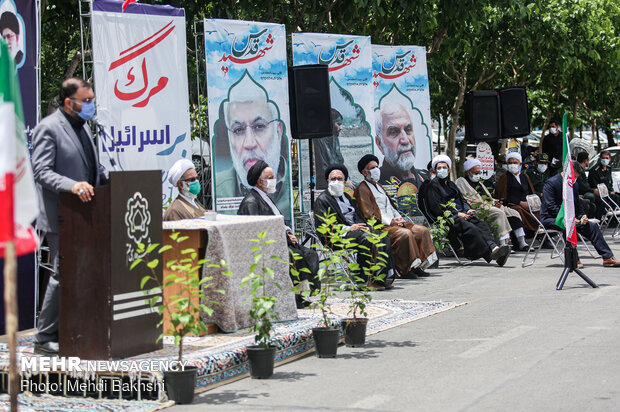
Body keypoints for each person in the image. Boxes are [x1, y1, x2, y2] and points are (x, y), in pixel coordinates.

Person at [31, 78, 108, 354]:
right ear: (68, 102)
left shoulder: (84, 128)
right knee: (63, 274)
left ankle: (74, 328)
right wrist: (72, 186)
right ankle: (43, 337)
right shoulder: (48, 128)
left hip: (88, 214)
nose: (90, 105)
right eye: (86, 101)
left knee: (84, 273)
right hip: (62, 215)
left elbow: (91, 165)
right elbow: (41, 171)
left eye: (92, 100)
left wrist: (110, 180)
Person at [237, 160, 319, 308]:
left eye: (273, 177)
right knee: (295, 257)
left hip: (282, 242)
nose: (273, 181)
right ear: (259, 181)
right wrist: (284, 238)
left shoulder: (265, 197)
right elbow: (256, 230)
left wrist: (288, 233)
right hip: (266, 247)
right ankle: (293, 296)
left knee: (310, 254)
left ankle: (303, 293)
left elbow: (279, 223)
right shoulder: (251, 202)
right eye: (269, 178)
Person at [215, 73, 291, 216]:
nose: (249, 143)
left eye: (259, 127)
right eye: (238, 130)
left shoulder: (285, 191)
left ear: (278, 131)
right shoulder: (221, 188)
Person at [314, 164, 395, 290]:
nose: (336, 181)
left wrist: (365, 226)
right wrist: (349, 228)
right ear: (327, 181)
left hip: (356, 231)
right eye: (333, 179)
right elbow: (323, 226)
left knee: (381, 236)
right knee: (367, 239)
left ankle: (381, 278)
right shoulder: (322, 200)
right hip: (337, 236)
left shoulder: (346, 197)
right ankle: (364, 280)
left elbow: (357, 216)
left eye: (339, 179)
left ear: (345, 182)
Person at [355, 154, 437, 278]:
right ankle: (404, 269)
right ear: (364, 172)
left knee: (422, 231)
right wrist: (391, 222)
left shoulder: (379, 186)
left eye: (377, 167)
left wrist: (398, 219)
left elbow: (391, 207)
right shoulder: (362, 189)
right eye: (372, 168)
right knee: (405, 234)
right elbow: (369, 214)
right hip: (380, 227)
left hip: (394, 223)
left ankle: (417, 266)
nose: (376, 170)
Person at [419, 155, 511, 266]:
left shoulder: (452, 185)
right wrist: (458, 214)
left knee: (480, 224)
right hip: (448, 218)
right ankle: (491, 254)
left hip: (462, 214)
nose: (442, 170)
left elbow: (462, 201)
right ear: (434, 170)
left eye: (444, 167)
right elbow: (436, 208)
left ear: (448, 169)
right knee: (470, 228)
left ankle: (494, 247)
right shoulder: (432, 186)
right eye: (439, 168)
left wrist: (467, 211)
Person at [541, 161, 620, 267]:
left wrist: (583, 216)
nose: (574, 179)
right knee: (568, 226)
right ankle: (574, 259)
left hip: (571, 217)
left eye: (576, 177)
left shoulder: (574, 184)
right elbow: (551, 206)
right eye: (574, 176)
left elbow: (577, 204)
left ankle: (607, 257)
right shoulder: (551, 183)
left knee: (592, 226)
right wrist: (569, 218)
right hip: (552, 218)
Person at [456, 158, 528, 250]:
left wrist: (496, 202)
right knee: (499, 213)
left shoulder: (479, 182)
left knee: (514, 213)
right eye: (475, 173)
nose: (478, 175)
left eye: (479, 172)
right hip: (478, 208)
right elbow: (468, 199)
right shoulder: (462, 181)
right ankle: (503, 244)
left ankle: (521, 242)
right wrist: (488, 203)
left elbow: (488, 197)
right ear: (468, 172)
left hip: (490, 205)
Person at [376, 102, 426, 194]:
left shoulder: (426, 178)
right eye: (394, 132)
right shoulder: (376, 185)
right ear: (380, 144)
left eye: (408, 130)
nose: (405, 140)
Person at [494, 152, 539, 235]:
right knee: (517, 210)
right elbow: (502, 195)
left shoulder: (524, 176)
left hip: (528, 204)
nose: (512, 165)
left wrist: (531, 202)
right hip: (512, 204)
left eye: (515, 163)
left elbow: (531, 192)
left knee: (538, 210)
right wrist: (520, 203)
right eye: (510, 163)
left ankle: (541, 233)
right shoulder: (504, 177)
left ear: (520, 164)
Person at [313, 109, 345, 190]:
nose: (341, 128)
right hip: (327, 183)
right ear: (330, 124)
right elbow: (324, 167)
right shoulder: (318, 140)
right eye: (338, 124)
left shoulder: (335, 138)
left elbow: (339, 161)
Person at [576, 152, 598, 217]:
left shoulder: (581, 170)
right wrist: (593, 190)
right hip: (581, 195)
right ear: (586, 161)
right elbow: (582, 186)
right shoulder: (578, 170)